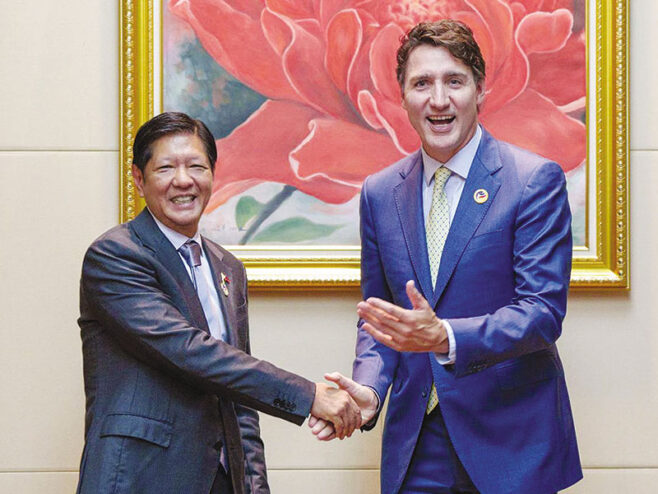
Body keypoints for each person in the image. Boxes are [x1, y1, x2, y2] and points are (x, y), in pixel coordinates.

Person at [311, 20, 582, 493]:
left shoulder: (533, 180)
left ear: (480, 90)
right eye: (422, 84)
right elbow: (380, 320)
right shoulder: (379, 193)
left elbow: (542, 313)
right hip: (418, 443)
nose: (438, 100)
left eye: (454, 81)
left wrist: (446, 337)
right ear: (402, 97)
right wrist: (371, 390)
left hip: (510, 439)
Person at [76, 112, 361, 494]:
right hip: (140, 477)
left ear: (213, 174)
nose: (183, 180)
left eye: (196, 166)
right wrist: (308, 396)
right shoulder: (115, 256)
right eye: (165, 168)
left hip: (221, 481)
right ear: (138, 179)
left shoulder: (228, 267)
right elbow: (189, 351)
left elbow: (237, 393)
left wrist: (254, 486)